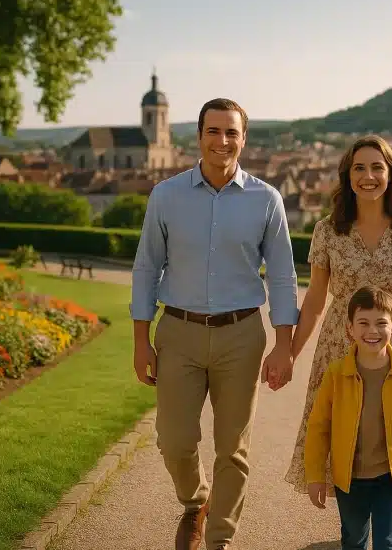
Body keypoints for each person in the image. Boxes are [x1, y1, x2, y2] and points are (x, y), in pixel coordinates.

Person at [130, 98, 299, 550]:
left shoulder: (267, 199)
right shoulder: (166, 195)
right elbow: (146, 268)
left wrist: (284, 345)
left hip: (241, 334)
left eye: (231, 133)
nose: (222, 141)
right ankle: (195, 501)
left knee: (233, 448)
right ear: (199, 136)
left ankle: (219, 538)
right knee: (175, 440)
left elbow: (283, 275)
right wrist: (140, 341)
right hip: (178, 332)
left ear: (243, 139)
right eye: (213, 131)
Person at [284, 134, 392, 496]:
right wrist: (291, 351)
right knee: (339, 427)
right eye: (359, 168)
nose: (367, 176)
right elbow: (316, 297)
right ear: (347, 175)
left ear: (391, 174)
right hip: (340, 341)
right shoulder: (328, 229)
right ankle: (352, 519)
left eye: (376, 167)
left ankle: (387, 516)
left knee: (390, 428)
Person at [305, 286, 392, 550]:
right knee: (353, 541)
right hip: (350, 479)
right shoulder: (336, 374)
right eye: (363, 322)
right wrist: (315, 474)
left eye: (381, 323)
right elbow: (319, 428)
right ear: (350, 328)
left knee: (388, 543)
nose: (372, 331)